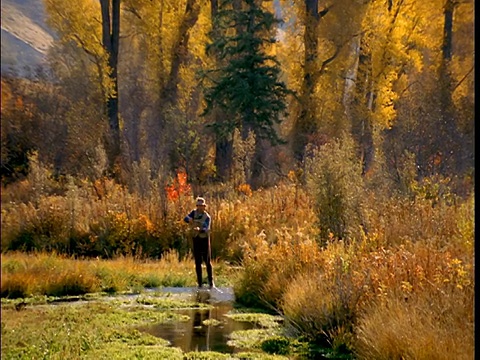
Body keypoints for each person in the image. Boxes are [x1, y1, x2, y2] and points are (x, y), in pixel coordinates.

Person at [184, 197, 214, 289]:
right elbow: (185, 218)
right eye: (198, 206)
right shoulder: (193, 213)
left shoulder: (207, 217)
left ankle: (211, 282)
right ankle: (200, 283)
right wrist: (189, 219)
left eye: (201, 206)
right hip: (196, 239)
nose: (200, 207)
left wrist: (200, 229)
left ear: (204, 207)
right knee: (197, 262)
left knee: (207, 261)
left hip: (204, 240)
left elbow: (206, 228)